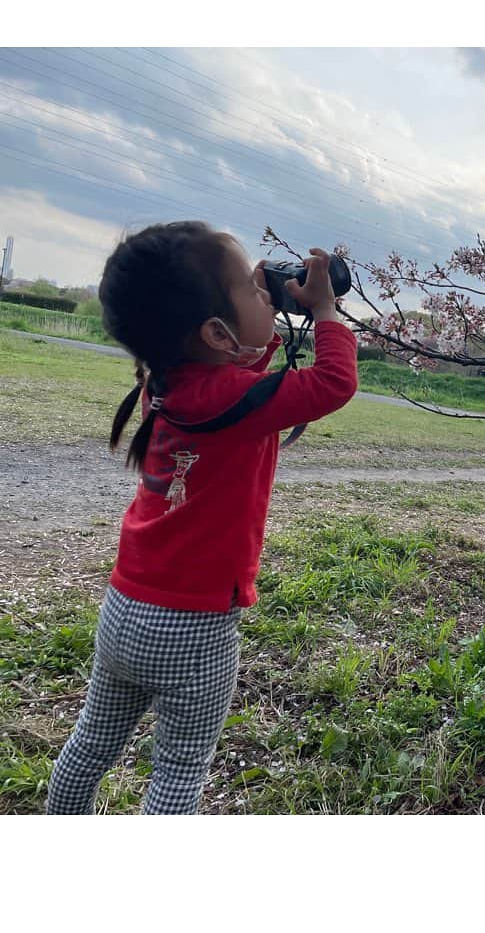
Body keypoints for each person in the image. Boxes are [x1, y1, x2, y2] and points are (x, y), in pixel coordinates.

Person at [46, 221, 358, 815]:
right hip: (194, 627)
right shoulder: (232, 398)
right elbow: (335, 382)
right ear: (215, 333)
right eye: (251, 286)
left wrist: (254, 303)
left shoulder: (162, 383)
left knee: (90, 744)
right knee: (179, 771)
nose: (265, 291)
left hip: (125, 609)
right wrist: (324, 311)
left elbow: (230, 374)